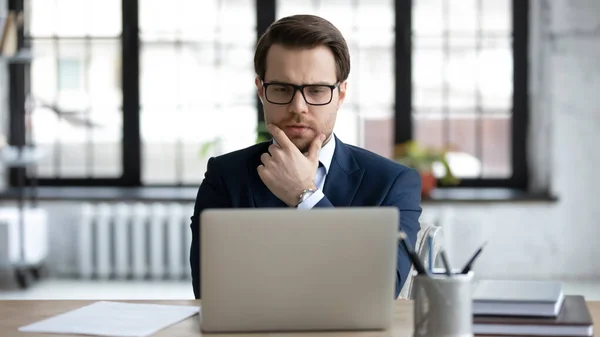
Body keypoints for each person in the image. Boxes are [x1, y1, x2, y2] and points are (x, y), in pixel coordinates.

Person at [189, 14, 422, 300]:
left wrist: (305, 196)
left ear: (341, 93)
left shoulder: (392, 183)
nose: (298, 107)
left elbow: (381, 290)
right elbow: (210, 294)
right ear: (261, 90)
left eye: (316, 90)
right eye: (282, 89)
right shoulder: (225, 176)